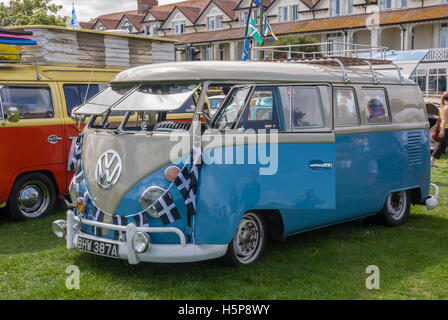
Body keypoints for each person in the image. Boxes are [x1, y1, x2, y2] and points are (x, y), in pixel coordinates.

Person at [431, 91, 448, 167]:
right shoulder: (446, 108)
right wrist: (442, 130)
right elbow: (444, 120)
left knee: (441, 146)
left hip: (444, 129)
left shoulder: (442, 108)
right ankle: (431, 161)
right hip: (446, 129)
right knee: (441, 146)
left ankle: (431, 161)